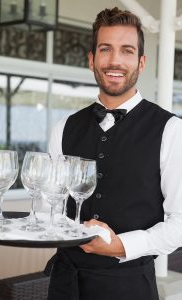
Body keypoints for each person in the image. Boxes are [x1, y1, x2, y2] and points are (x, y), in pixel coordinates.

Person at [45, 6, 182, 300]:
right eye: (105, 49)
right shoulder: (63, 128)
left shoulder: (172, 130)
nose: (115, 60)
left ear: (141, 62)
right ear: (92, 59)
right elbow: (51, 209)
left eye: (127, 50)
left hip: (130, 286)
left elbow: (180, 223)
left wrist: (121, 245)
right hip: (64, 282)